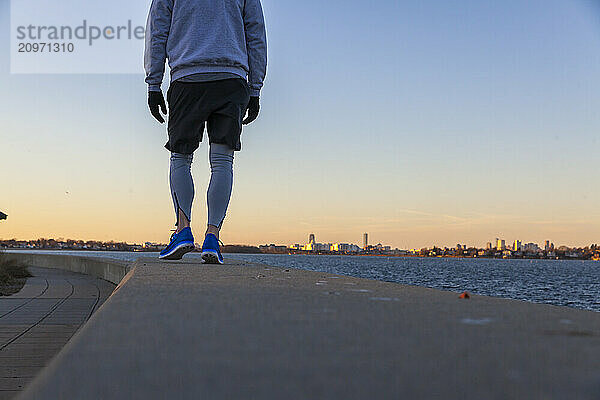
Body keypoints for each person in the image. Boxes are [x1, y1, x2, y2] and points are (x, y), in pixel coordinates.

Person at [144, 0, 267, 263]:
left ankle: (183, 230)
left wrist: (154, 82)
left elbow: (158, 29)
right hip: (231, 79)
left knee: (180, 158)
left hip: (188, 78)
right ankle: (212, 237)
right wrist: (255, 89)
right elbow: (255, 32)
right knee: (222, 162)